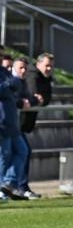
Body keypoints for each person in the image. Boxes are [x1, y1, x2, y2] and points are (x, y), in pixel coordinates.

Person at [21, 53, 54, 199]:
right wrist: (37, 100)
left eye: (51, 66)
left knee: (22, 152)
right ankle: (20, 187)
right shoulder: (31, 75)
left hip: (24, 123)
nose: (49, 69)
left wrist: (39, 100)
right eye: (46, 65)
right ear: (38, 64)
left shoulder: (45, 79)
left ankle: (17, 187)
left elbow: (46, 99)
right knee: (23, 151)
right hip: (16, 123)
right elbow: (33, 97)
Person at [0, 61, 29, 200]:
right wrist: (9, 85)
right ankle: (2, 190)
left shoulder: (4, 71)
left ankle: (9, 183)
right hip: (2, 122)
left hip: (11, 122)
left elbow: (18, 84)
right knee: (3, 156)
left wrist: (10, 86)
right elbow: (7, 87)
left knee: (22, 150)